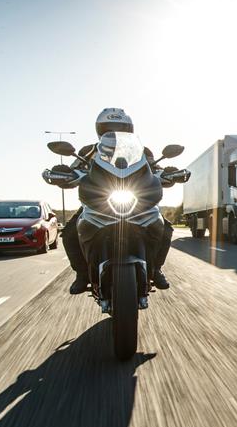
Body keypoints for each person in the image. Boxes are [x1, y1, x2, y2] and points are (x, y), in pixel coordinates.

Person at [62, 108, 174, 294]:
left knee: (166, 228)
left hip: (136, 199)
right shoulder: (88, 151)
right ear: (100, 130)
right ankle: (82, 274)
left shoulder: (142, 151)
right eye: (108, 128)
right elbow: (75, 168)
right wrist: (65, 174)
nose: (114, 131)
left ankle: (155, 269)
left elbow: (156, 168)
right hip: (99, 200)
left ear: (129, 130)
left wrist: (168, 173)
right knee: (69, 233)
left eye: (120, 127)